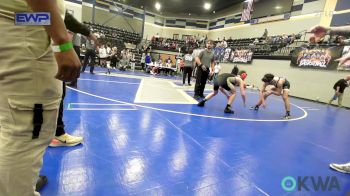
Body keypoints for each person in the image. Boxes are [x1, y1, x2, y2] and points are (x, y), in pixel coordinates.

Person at [0, 0, 81, 195]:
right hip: (26, 31)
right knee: (25, 132)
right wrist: (62, 42)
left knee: (9, 123)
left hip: (15, 28)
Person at [311, 25, 350, 174]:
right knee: (335, 98)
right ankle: (330, 103)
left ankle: (333, 103)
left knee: (336, 100)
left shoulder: (345, 81)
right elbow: (338, 86)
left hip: (340, 91)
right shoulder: (342, 80)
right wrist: (329, 30)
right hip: (338, 91)